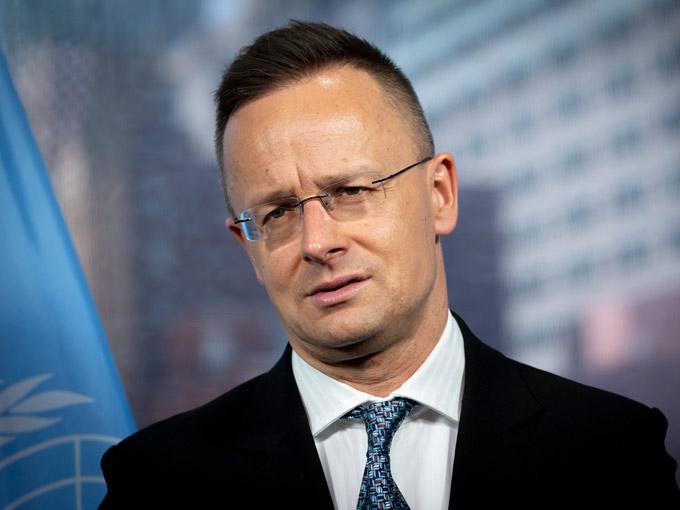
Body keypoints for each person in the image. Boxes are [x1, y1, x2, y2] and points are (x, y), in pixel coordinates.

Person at [99, 20, 679, 509]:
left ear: (440, 195)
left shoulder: (611, 453)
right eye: (278, 213)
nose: (318, 242)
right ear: (247, 246)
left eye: (351, 191)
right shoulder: (155, 486)